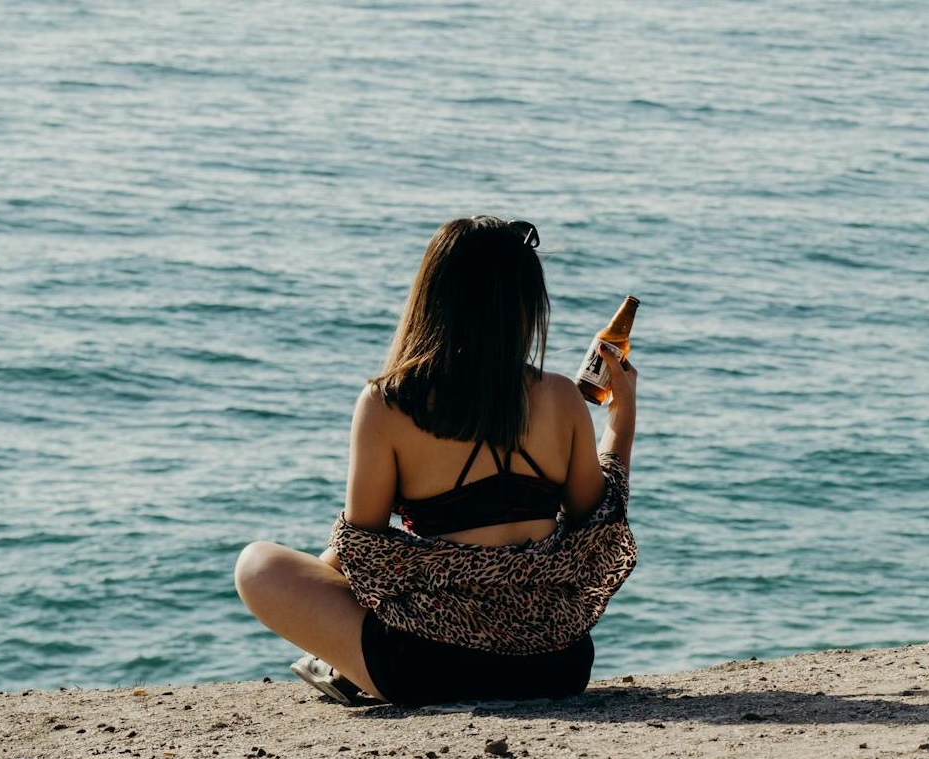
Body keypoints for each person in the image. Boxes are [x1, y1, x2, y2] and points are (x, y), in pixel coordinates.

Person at [234, 216, 638, 707]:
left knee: (258, 564)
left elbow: (363, 549)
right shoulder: (560, 396)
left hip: (428, 667)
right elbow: (599, 526)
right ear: (524, 304)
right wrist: (622, 416)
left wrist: (320, 591)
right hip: (556, 664)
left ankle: (344, 664)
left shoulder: (389, 403)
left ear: (433, 296)